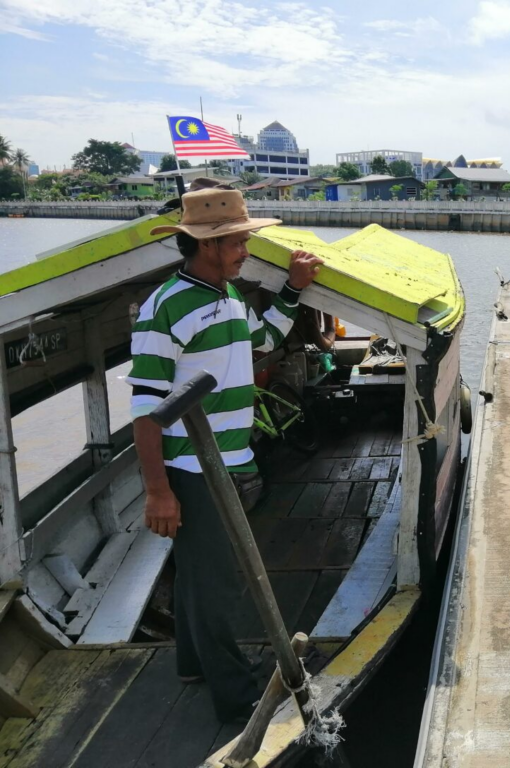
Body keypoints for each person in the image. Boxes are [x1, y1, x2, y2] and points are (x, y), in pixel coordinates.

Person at [128, 187, 324, 721]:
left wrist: (293, 291)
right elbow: (145, 409)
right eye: (239, 241)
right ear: (208, 244)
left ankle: (193, 663)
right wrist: (158, 491)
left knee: (196, 571)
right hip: (195, 469)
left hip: (230, 461)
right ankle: (236, 699)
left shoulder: (228, 296)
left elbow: (260, 341)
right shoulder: (165, 308)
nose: (245, 249)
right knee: (217, 583)